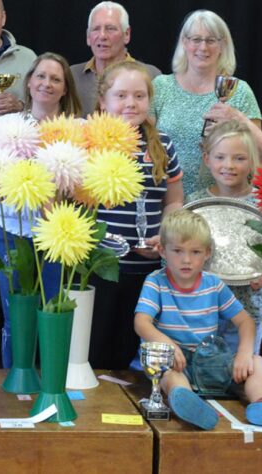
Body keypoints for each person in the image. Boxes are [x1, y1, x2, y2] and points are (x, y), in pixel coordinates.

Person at [134, 210, 262, 431]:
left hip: (211, 361)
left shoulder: (214, 284)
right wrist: (167, 345)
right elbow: (141, 322)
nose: (186, 260)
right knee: (170, 375)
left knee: (259, 363)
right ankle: (188, 403)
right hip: (176, 362)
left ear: (207, 253)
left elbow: (245, 321)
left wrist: (245, 354)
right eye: (177, 251)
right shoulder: (155, 282)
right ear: (162, 250)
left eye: (195, 252)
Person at [88, 61, 184, 370]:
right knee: (95, 349)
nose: (131, 103)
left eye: (140, 96)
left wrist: (164, 237)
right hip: (97, 268)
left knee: (130, 351)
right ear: (103, 100)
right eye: (121, 95)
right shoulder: (87, 142)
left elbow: (174, 202)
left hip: (145, 269)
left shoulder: (163, 144)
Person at [0, 52, 80, 368]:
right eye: (41, 76)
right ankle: (16, 382)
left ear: (65, 89)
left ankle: (52, 381)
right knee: (14, 316)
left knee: (53, 314)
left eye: (55, 79)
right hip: (13, 233)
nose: (46, 84)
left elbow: (81, 186)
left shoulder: (79, 129)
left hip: (60, 237)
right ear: (29, 82)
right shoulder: (6, 125)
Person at [152, 10, 262, 197]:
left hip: (220, 201)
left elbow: (259, 157)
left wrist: (237, 119)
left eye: (211, 40)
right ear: (184, 42)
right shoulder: (160, 87)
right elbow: (145, 142)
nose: (203, 47)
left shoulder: (239, 91)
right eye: (196, 39)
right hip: (165, 199)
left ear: (223, 46)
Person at [187, 120, 262, 354]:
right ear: (207, 159)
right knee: (201, 377)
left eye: (239, 158)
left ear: (252, 161)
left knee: (242, 378)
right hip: (200, 312)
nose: (228, 165)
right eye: (220, 157)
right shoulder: (195, 203)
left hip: (247, 310)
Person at [70, 1, 161, 117]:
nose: (102, 36)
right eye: (96, 29)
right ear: (88, 37)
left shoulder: (152, 76)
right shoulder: (72, 76)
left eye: (110, 28)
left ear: (127, 34)